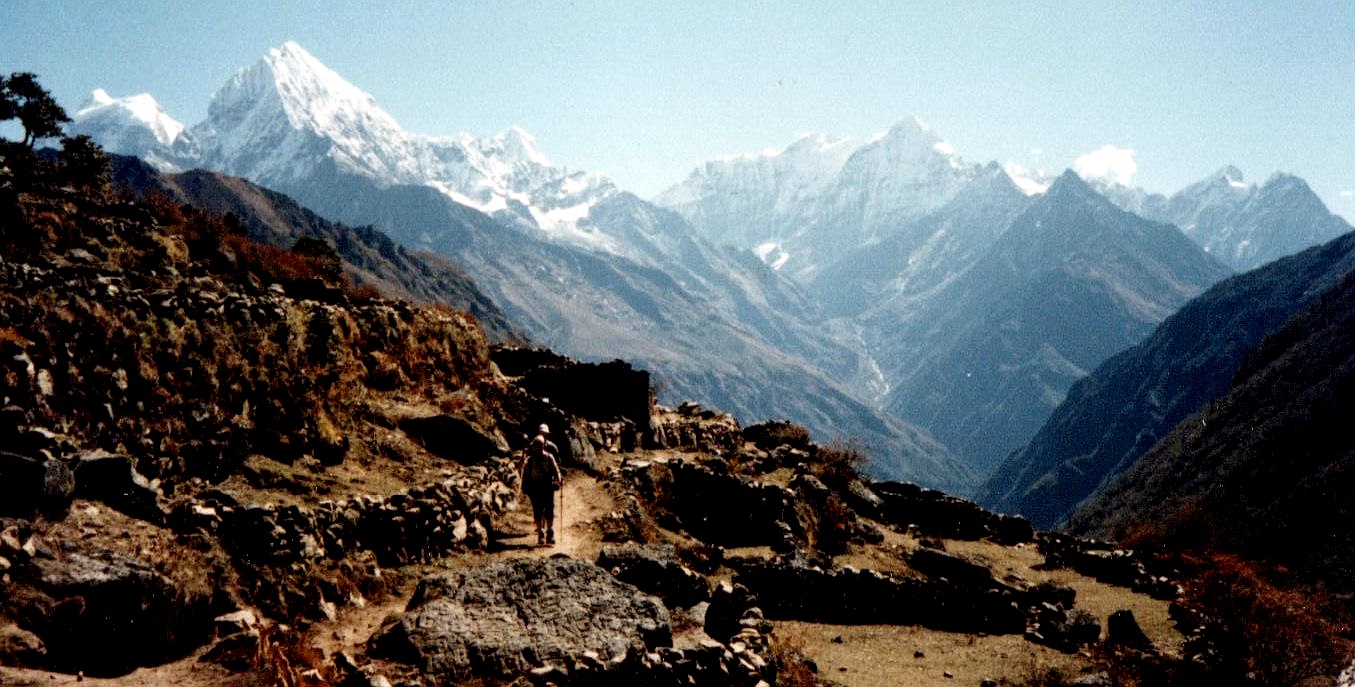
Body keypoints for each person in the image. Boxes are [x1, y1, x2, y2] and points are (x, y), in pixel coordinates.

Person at [518, 423, 562, 546]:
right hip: (535, 486)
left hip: (547, 485)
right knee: (537, 510)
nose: (538, 448)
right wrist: (524, 486)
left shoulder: (549, 457)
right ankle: (541, 533)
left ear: (543, 446)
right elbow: (524, 473)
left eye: (540, 446)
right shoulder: (530, 460)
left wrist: (558, 479)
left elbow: (555, 469)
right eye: (536, 446)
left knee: (549, 509)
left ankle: (550, 531)